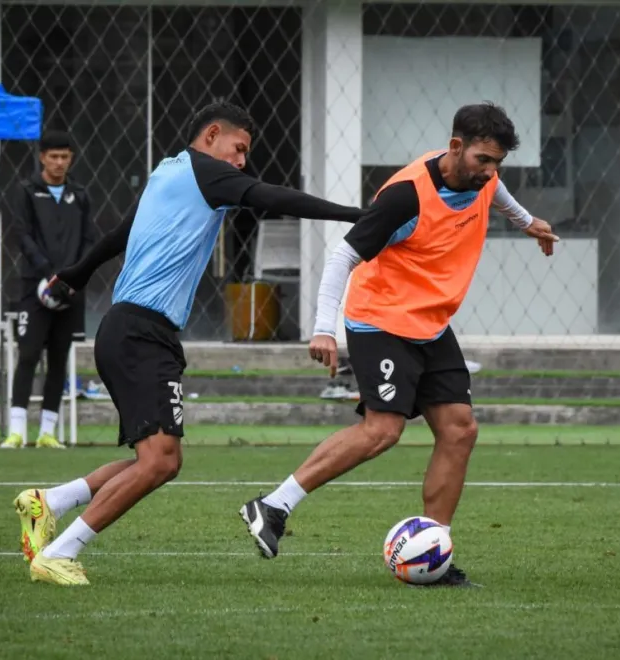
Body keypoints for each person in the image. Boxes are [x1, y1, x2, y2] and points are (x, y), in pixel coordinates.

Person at [10, 100, 364, 586]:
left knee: (158, 461)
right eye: (239, 148)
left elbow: (119, 234)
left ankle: (49, 502)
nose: (242, 161)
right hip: (139, 333)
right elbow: (273, 197)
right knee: (160, 461)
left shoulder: (167, 172)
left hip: (133, 330)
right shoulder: (206, 172)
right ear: (212, 134)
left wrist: (74, 273)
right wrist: (356, 215)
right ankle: (58, 552)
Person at [239, 102, 559, 588]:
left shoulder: (481, 176)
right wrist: (324, 328)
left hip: (430, 323)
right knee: (382, 430)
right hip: (381, 321)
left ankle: (434, 553)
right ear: (455, 147)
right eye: (483, 160)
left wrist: (526, 221)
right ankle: (273, 505)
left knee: (460, 430)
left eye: (497, 162)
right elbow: (342, 257)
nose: (490, 171)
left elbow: (497, 190)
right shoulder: (405, 197)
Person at [0, 130, 95, 450]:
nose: (59, 162)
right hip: (35, 287)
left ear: (71, 159)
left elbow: (88, 239)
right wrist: (46, 271)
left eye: (64, 157)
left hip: (69, 290)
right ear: (42, 157)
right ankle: (16, 431)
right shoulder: (27, 191)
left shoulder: (79, 195)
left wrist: (75, 275)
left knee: (58, 358)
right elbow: (21, 234)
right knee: (28, 355)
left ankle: (47, 433)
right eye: (53, 156)